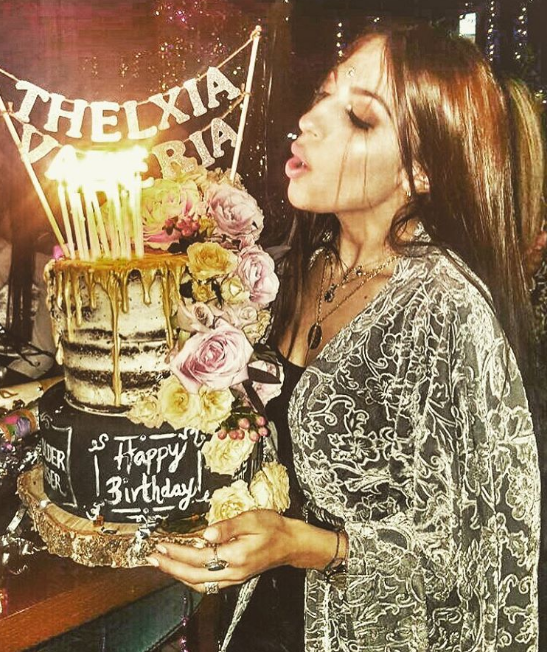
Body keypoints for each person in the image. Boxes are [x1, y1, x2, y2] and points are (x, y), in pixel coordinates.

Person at [146, 21, 543, 652]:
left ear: (421, 170)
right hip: (257, 619)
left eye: (359, 118)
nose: (309, 121)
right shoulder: (287, 269)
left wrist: (307, 545)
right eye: (323, 95)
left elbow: (482, 558)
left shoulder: (445, 310)